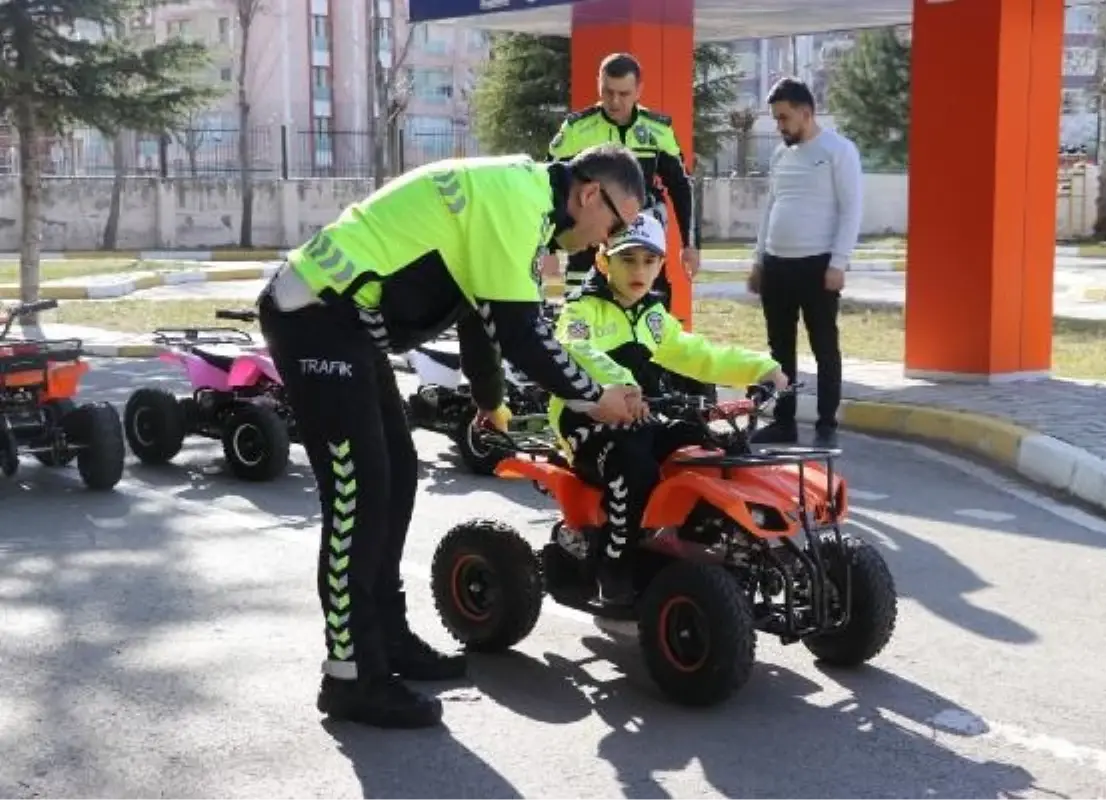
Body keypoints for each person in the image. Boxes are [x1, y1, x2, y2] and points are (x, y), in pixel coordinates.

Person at [256, 144, 648, 730]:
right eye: (614, 223)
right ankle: (349, 676)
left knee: (397, 475)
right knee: (358, 493)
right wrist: (595, 395)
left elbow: (479, 316)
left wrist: (489, 403)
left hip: (344, 330)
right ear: (591, 193)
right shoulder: (518, 201)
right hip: (313, 313)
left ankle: (385, 641)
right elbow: (521, 335)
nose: (605, 241)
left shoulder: (525, 203)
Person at [548, 211, 787, 604]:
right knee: (635, 462)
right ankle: (615, 567)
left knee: (709, 447)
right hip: (586, 418)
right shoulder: (582, 309)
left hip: (642, 415)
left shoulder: (653, 317)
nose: (639, 270)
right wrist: (620, 380)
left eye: (649, 260)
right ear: (603, 260)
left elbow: (698, 354)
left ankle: (712, 546)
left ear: (661, 264)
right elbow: (575, 348)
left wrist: (760, 367)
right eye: (627, 259)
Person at [748, 78, 863, 449]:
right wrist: (759, 260)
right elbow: (771, 208)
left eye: (784, 118)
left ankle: (826, 425)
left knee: (824, 346)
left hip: (818, 266)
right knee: (779, 348)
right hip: (777, 266)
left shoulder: (838, 150)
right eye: (776, 118)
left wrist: (839, 262)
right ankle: (784, 422)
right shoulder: (781, 155)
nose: (779, 125)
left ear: (806, 113)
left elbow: (851, 210)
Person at [546, 52, 699, 305]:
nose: (614, 101)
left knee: (649, 321)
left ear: (639, 90)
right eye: (607, 92)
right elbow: (549, 191)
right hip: (587, 240)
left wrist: (690, 244)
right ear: (599, 84)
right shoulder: (575, 129)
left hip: (640, 242)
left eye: (624, 94)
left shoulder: (658, 129)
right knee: (579, 321)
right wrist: (549, 256)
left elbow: (681, 186)